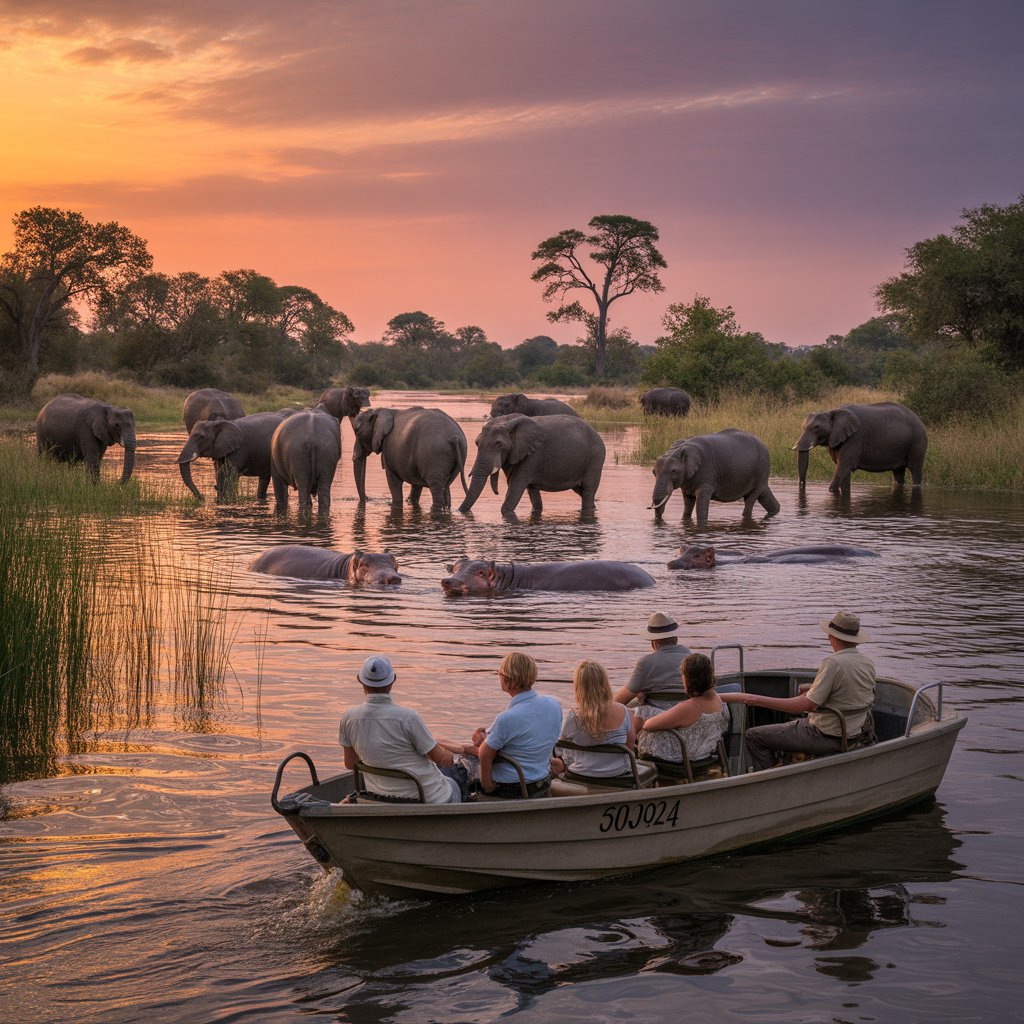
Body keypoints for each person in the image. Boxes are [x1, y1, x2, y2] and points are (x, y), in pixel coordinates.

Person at [721, 611, 876, 771]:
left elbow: (806, 705)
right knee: (787, 726)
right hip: (853, 731)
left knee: (753, 736)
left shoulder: (833, 663)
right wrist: (811, 688)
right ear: (855, 640)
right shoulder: (867, 663)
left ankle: (773, 781)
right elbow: (846, 690)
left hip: (826, 735)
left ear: (832, 637)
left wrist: (755, 699)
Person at [338, 655, 469, 803]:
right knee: (456, 777)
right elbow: (443, 759)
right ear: (393, 680)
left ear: (359, 679)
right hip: (425, 798)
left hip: (379, 796)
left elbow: (350, 763)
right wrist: (456, 757)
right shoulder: (408, 718)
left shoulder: (348, 717)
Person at [441, 652, 562, 798]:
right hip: (540, 780)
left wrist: (488, 786)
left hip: (512, 787)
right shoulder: (553, 703)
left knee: (451, 766)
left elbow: (484, 753)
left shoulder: (508, 718)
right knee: (463, 751)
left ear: (506, 679)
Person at [633, 653, 729, 764]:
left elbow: (647, 725)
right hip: (703, 754)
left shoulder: (690, 707)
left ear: (689, 679)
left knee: (639, 717)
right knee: (647, 712)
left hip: (678, 759)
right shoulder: (716, 698)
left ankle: (628, 761)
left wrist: (641, 707)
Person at [550, 660, 636, 778]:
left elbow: (564, 745)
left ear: (578, 687)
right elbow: (630, 746)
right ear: (605, 683)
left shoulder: (574, 715)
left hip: (581, 771)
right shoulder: (623, 710)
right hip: (617, 772)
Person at [612, 611, 692, 709]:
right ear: (675, 638)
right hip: (687, 710)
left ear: (654, 642)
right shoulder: (690, 656)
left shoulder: (645, 662)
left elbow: (620, 700)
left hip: (655, 714)